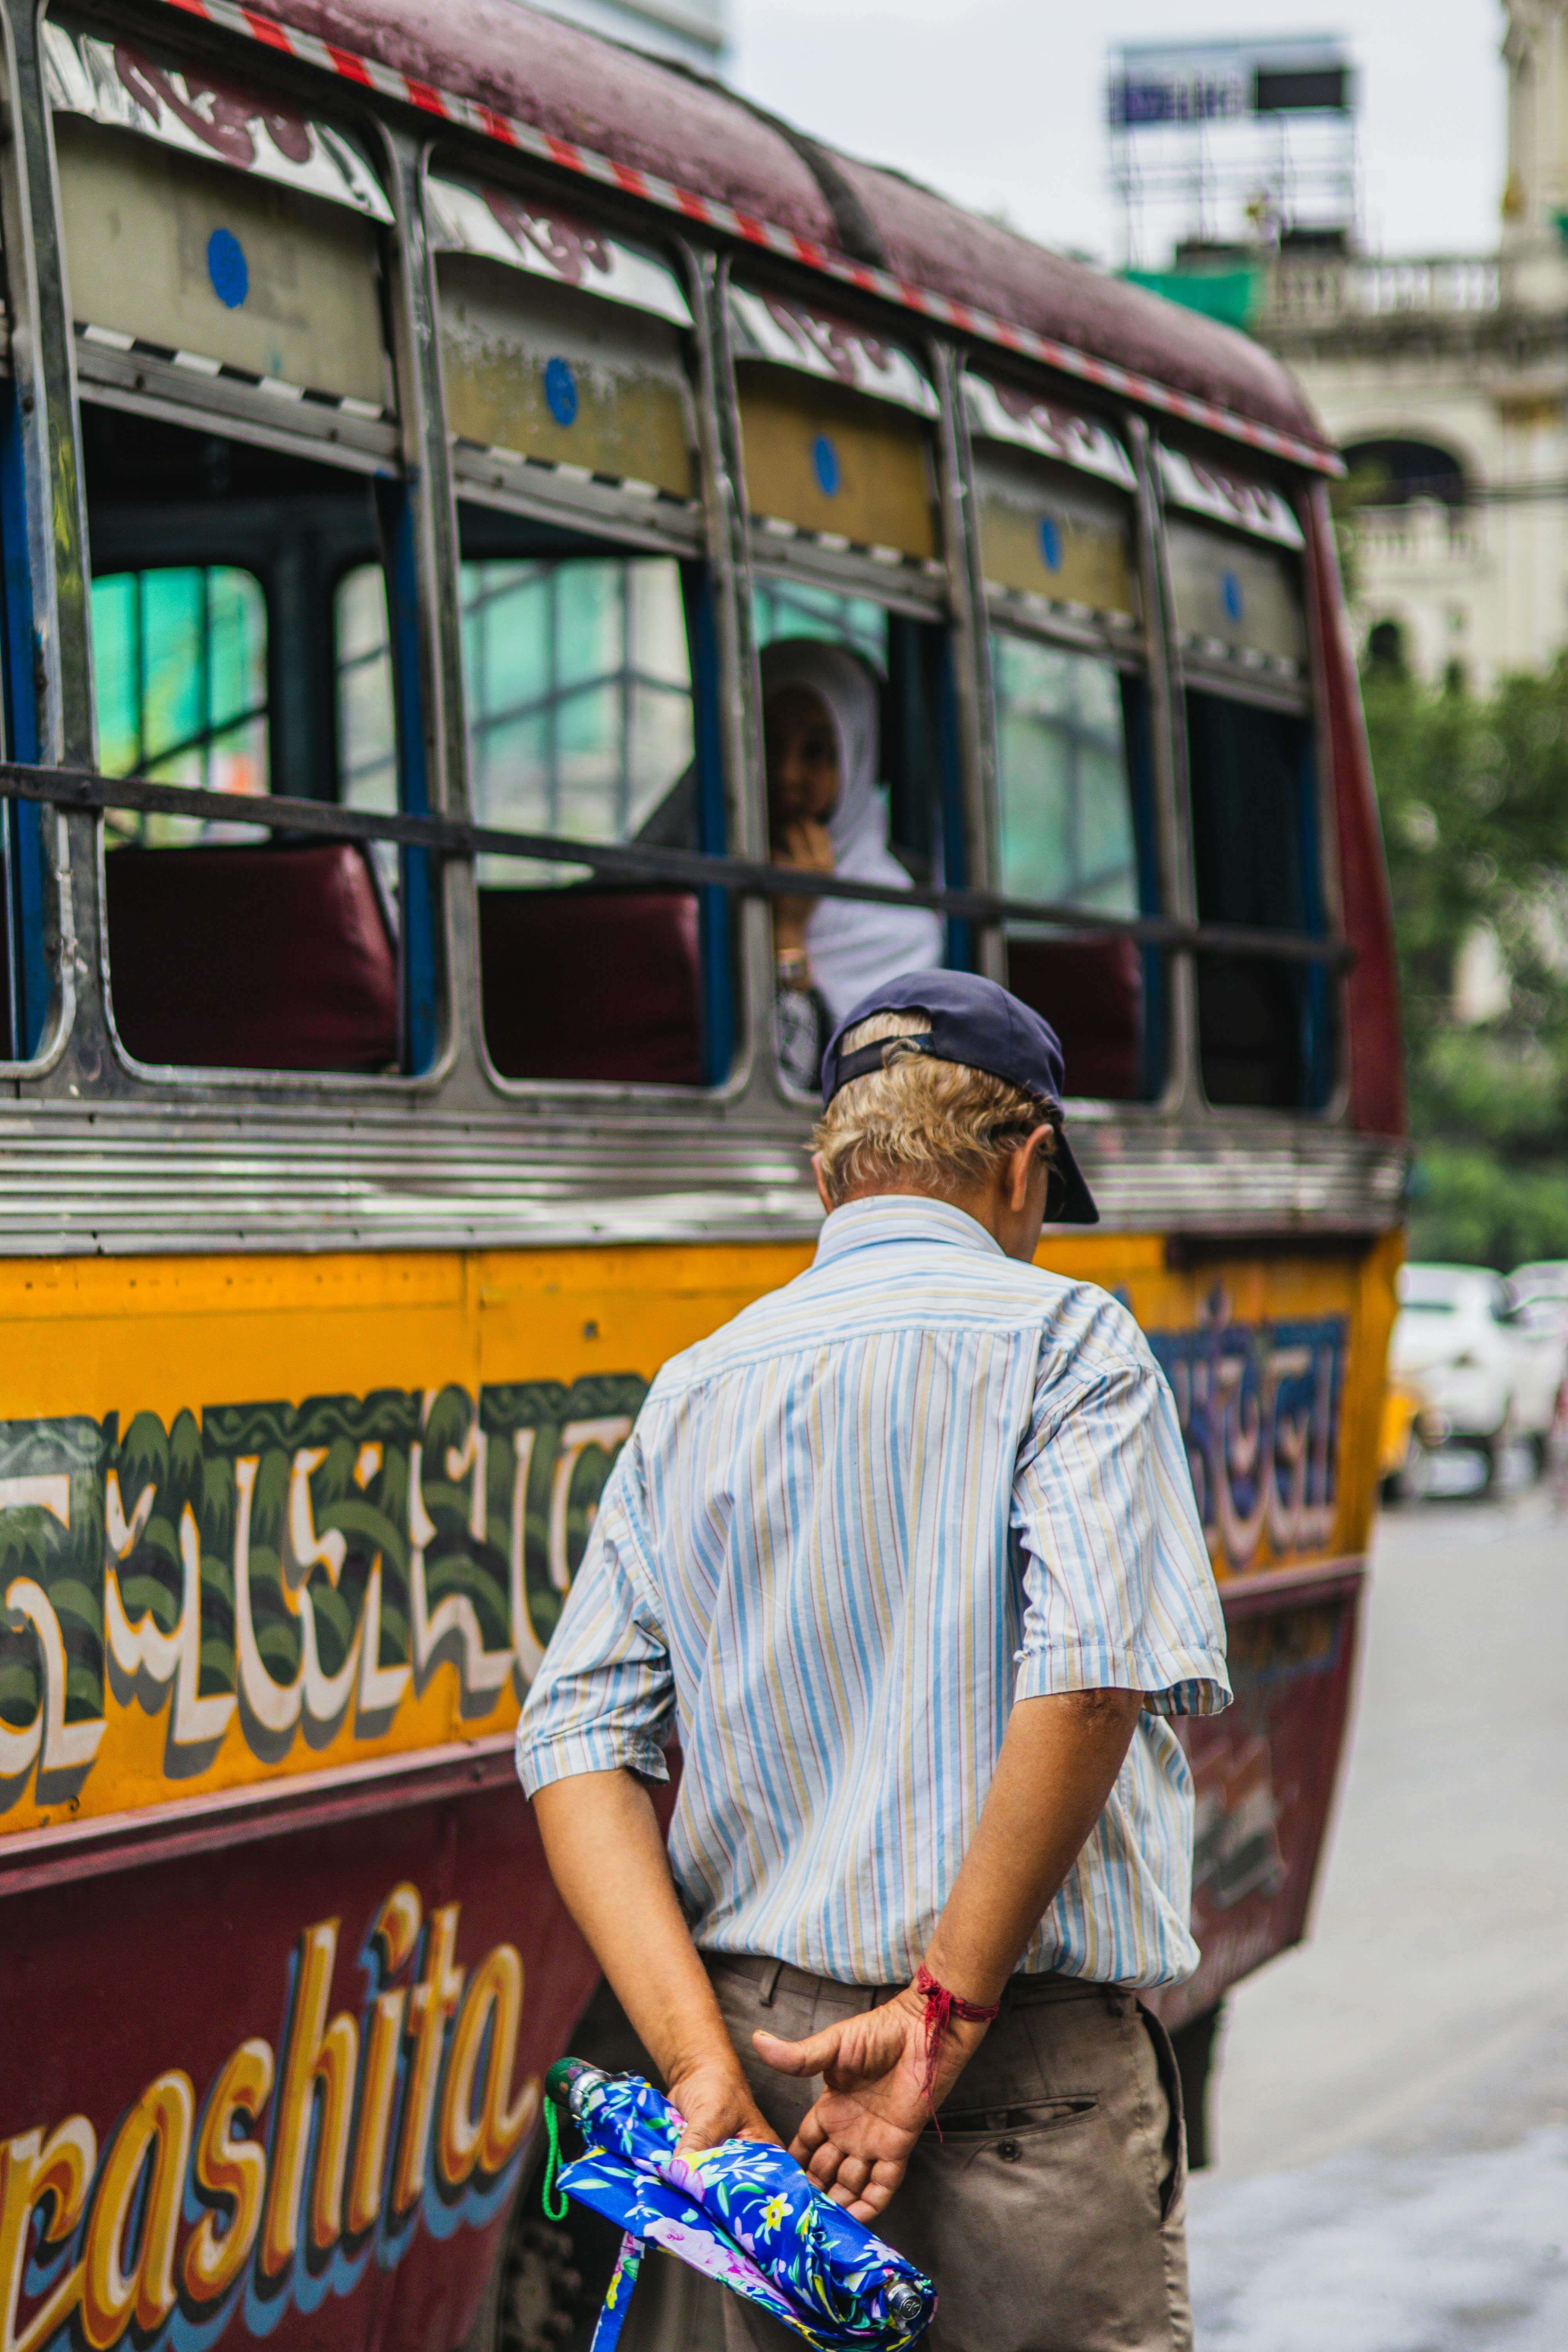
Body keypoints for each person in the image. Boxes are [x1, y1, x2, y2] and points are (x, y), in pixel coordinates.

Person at [515, 969, 1230, 2352]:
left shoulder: (697, 1387)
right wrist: (936, 2026)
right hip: (1020, 2068)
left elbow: (576, 1748)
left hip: (762, 2106)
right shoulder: (1066, 1341)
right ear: (1028, 1167)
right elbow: (1086, 1682)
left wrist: (701, 2074)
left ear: (829, 1171)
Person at [761, 637, 943, 1091]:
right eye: (767, 743)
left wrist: (787, 934)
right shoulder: (693, 876)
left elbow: (795, 1078)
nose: (785, 774)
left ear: (857, 759)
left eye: (817, 752)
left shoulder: (895, 925)